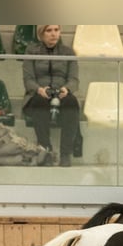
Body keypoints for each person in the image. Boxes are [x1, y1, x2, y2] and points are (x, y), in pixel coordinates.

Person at [22, 25, 80, 167]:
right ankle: (45, 150)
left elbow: (74, 79)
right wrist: (39, 89)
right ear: (41, 34)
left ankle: (65, 153)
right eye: (49, 31)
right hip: (40, 92)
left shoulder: (68, 52)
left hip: (62, 92)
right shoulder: (31, 51)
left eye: (56, 30)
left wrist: (67, 89)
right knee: (39, 104)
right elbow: (28, 79)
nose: (53, 34)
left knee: (72, 104)